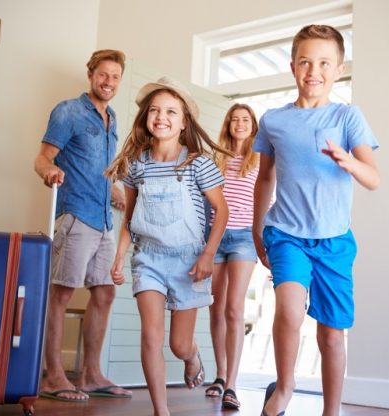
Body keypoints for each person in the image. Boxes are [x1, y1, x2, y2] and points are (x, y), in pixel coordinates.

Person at [252, 25, 380, 416]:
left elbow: (374, 177)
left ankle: (331, 409)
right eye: (305, 61)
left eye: (324, 63)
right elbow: (265, 178)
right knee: (289, 310)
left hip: (334, 241)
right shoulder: (274, 120)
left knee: (331, 332)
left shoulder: (347, 116)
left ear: (338, 69)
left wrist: (349, 161)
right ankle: (285, 388)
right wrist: (259, 232)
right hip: (287, 233)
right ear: (293, 67)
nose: (314, 70)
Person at [105, 76, 231, 416]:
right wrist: (119, 257)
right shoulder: (137, 164)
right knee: (150, 335)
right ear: (147, 117)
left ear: (184, 121)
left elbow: (222, 211)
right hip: (148, 259)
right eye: (156, 110)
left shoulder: (198, 164)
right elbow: (130, 217)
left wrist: (208, 255)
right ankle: (161, 411)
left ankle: (192, 356)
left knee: (177, 345)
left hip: (190, 261)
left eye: (171, 111)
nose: (162, 117)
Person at [33, 49, 132, 402]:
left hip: (103, 219)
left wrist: (116, 190)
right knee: (60, 294)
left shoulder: (113, 117)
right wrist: (50, 171)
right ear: (91, 74)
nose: (108, 82)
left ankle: (90, 374)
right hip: (75, 216)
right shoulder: (68, 111)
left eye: (115, 76)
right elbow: (43, 157)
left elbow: (98, 168)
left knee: (104, 292)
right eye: (103, 74)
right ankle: (53, 376)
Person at [204, 104, 259, 410]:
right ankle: (220, 374)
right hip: (215, 235)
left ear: (253, 126)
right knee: (216, 308)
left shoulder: (260, 161)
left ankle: (233, 385)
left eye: (245, 120)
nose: (239, 124)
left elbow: (266, 201)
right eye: (235, 119)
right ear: (228, 125)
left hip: (243, 238)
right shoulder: (216, 158)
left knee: (235, 309)